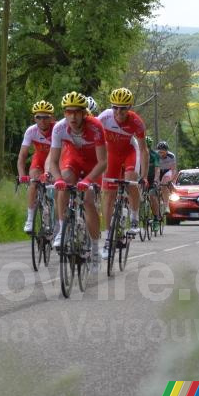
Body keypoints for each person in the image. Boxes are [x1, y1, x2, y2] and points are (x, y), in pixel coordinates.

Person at [48, 91, 107, 272]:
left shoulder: (96, 127)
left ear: (84, 113)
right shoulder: (59, 128)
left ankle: (95, 249)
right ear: (64, 113)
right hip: (72, 160)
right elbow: (53, 160)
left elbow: (103, 161)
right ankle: (61, 229)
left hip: (93, 164)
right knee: (64, 183)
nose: (72, 116)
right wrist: (57, 179)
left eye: (76, 112)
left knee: (88, 200)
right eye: (68, 112)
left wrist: (88, 180)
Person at [97, 88, 148, 259]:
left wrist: (145, 176)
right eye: (115, 107)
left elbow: (143, 149)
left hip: (129, 152)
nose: (119, 112)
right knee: (108, 195)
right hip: (111, 155)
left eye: (123, 108)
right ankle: (109, 237)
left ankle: (134, 218)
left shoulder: (136, 122)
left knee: (130, 180)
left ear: (130, 107)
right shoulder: (104, 117)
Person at [17, 100, 56, 233]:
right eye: (38, 117)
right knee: (33, 182)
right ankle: (30, 218)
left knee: (59, 187)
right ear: (34, 118)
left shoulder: (57, 129)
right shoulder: (31, 131)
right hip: (39, 159)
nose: (42, 120)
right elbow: (22, 156)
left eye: (46, 117)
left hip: (56, 159)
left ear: (52, 117)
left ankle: (59, 221)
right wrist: (22, 175)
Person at [145, 136, 162, 227]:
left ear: (149, 146)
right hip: (142, 178)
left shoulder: (154, 155)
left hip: (152, 178)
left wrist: (156, 180)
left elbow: (157, 169)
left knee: (152, 196)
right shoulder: (138, 154)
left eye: (146, 146)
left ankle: (156, 218)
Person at [157, 141, 178, 213]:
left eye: (163, 152)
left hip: (167, 171)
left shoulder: (171, 156)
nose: (161, 154)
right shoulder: (156, 156)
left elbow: (174, 169)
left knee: (164, 185)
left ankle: (166, 206)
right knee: (156, 186)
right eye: (160, 152)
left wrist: (172, 180)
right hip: (159, 171)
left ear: (166, 151)